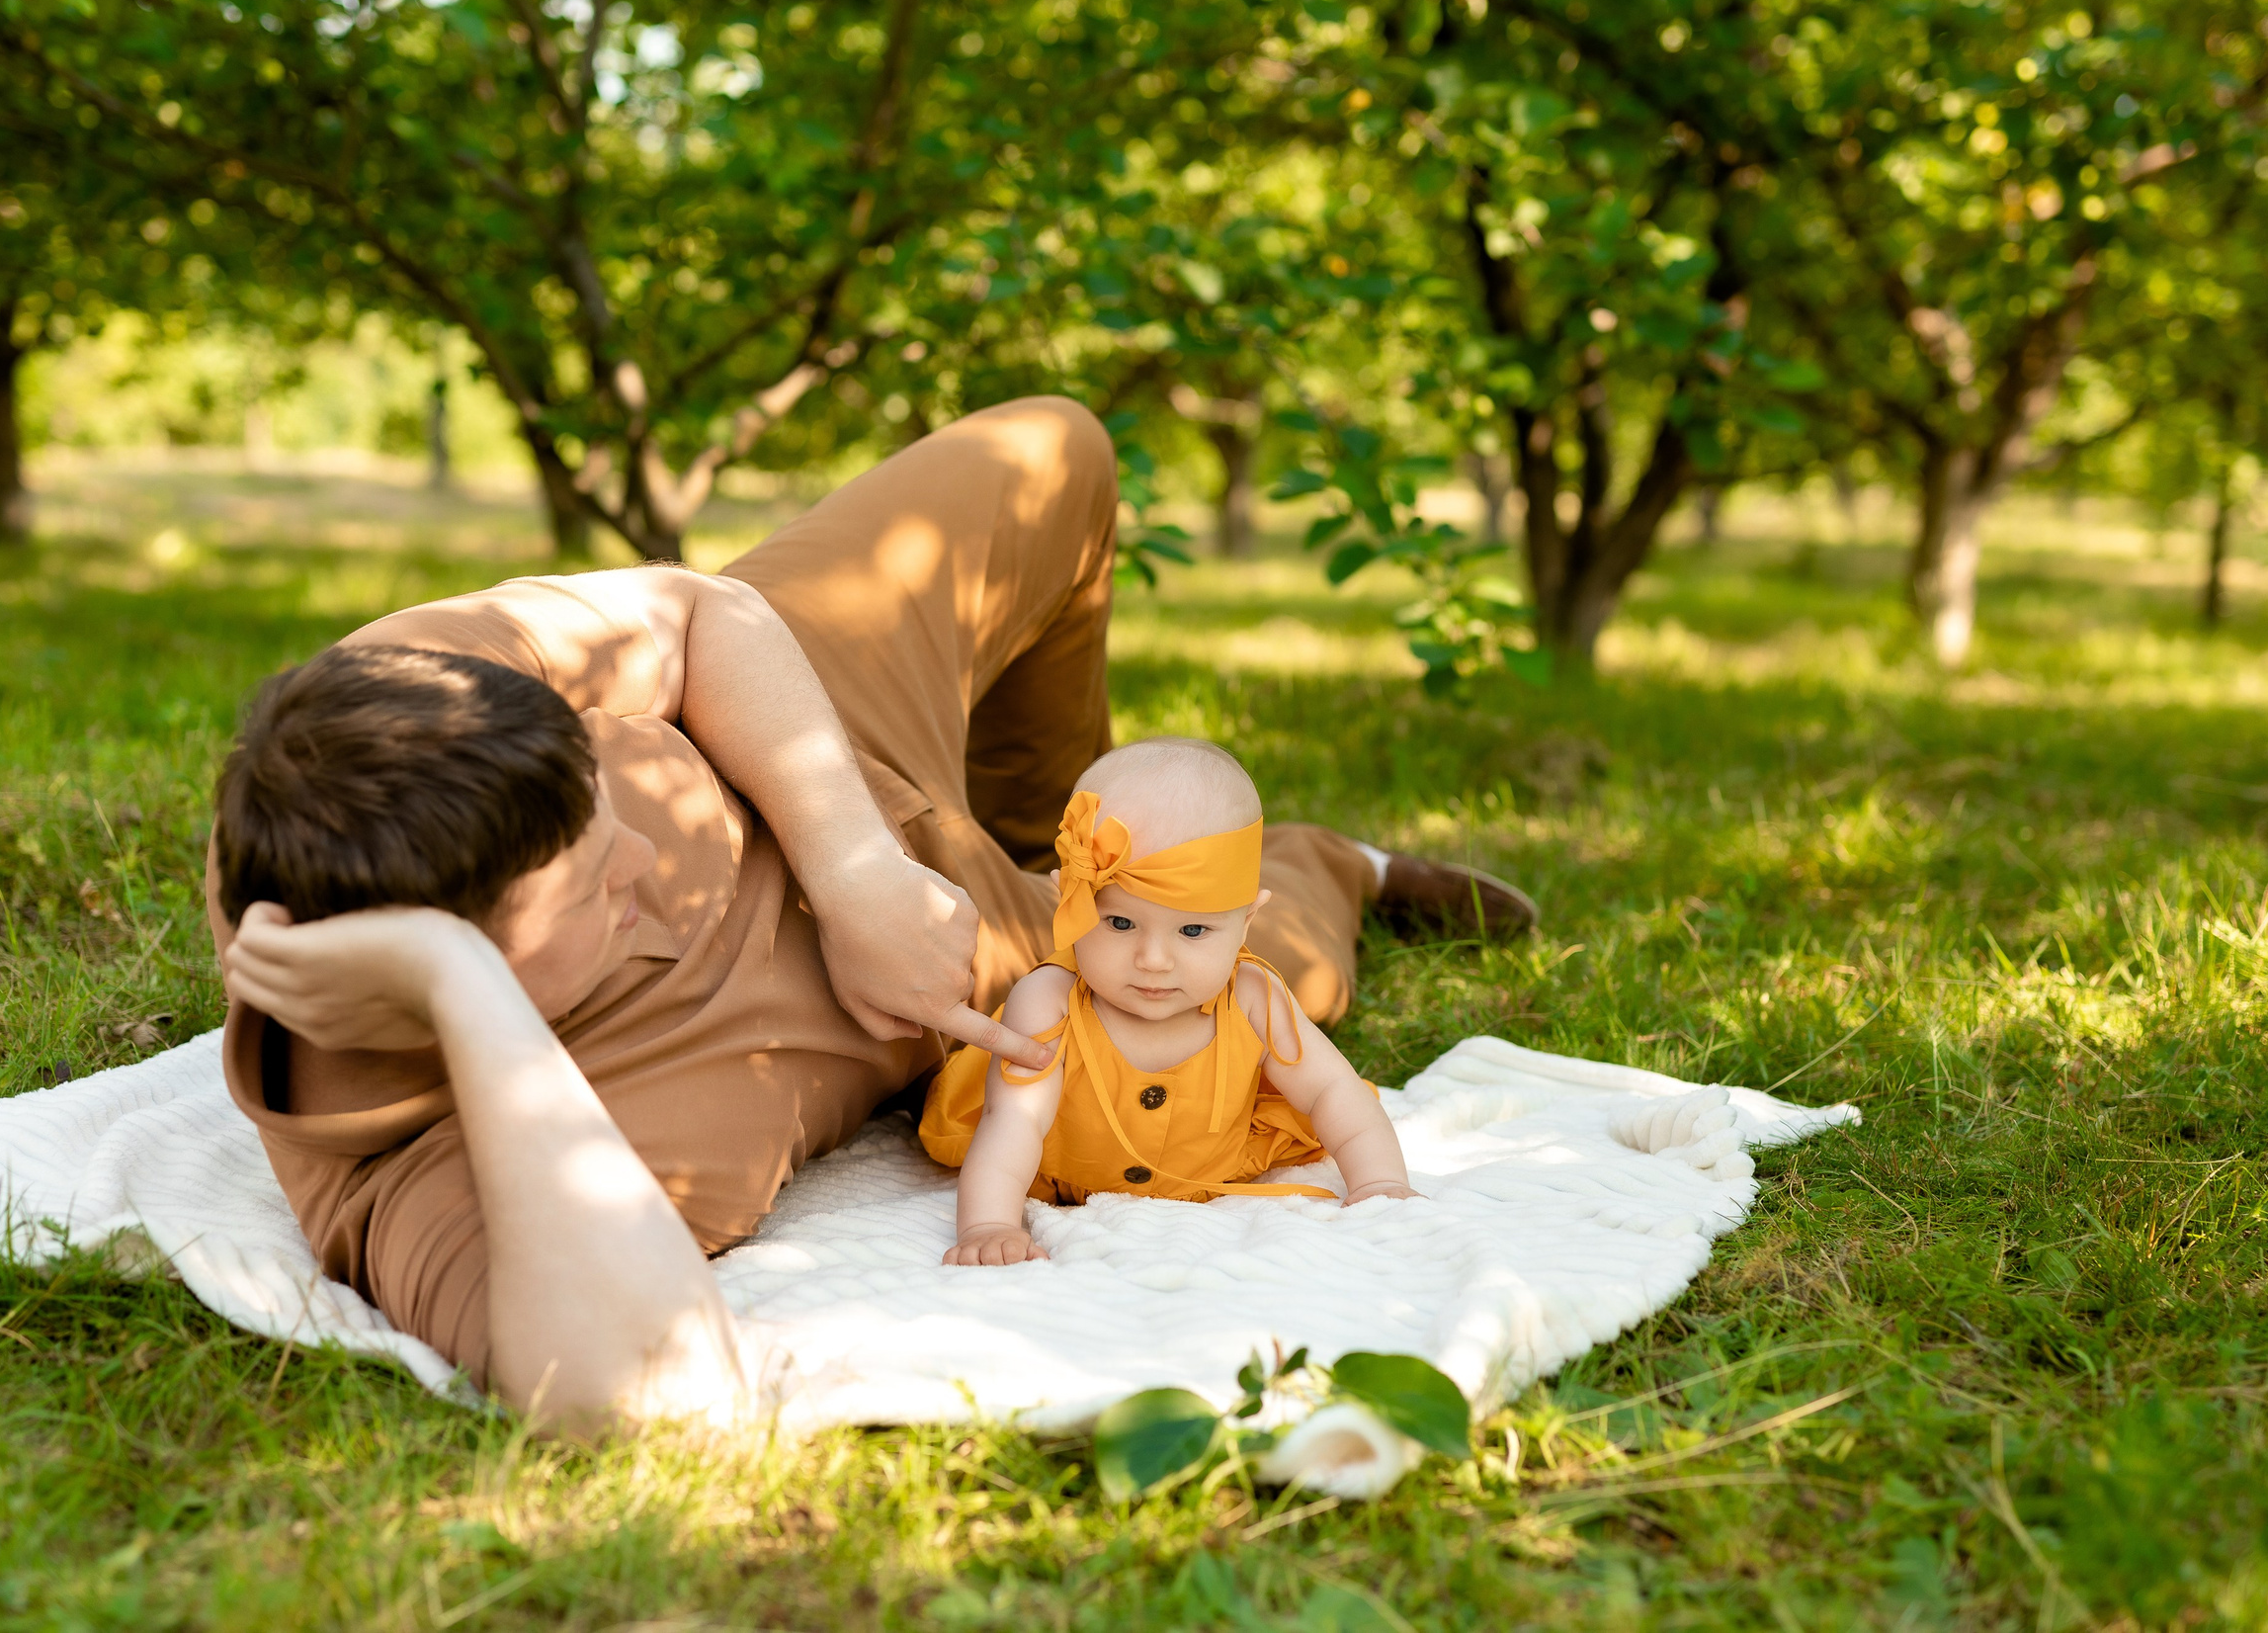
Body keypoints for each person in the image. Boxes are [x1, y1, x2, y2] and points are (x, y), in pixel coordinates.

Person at [207, 396, 1536, 1431]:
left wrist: (852, 866)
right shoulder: (427, 1173)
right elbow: (650, 1398)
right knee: (1229, 978)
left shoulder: (389, 714)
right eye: (594, 883)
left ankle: (1057, 824)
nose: (633, 860)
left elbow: (695, 612)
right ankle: (1330, 862)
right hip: (977, 971)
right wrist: (458, 985)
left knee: (1052, 452)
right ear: (459, 962)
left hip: (808, 737)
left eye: (612, 816)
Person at [920, 739, 1418, 1267]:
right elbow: (1013, 1120)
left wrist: (1380, 1181)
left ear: (1248, 919)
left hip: (1216, 1163)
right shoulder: (1050, 1001)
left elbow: (1332, 1090)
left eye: (1193, 929)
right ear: (1067, 901)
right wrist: (990, 1224)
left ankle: (1337, 862)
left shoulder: (1253, 998)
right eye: (1119, 923)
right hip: (1063, 1175)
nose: (1154, 960)